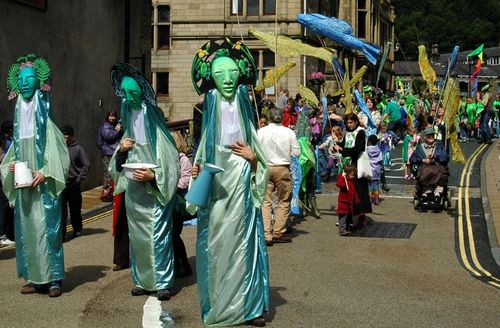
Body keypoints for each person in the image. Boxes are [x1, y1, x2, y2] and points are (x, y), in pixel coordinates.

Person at [190, 38, 270, 327]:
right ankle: (221, 303)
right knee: (217, 243)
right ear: (211, 76)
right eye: (220, 73)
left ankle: (249, 307)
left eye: (232, 73)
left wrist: (252, 159)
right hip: (216, 176)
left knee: (245, 242)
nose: (227, 79)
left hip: (241, 178)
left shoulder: (246, 103)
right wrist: (198, 168)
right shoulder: (205, 106)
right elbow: (200, 146)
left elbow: (259, 158)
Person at [109, 63, 180, 301]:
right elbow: (116, 166)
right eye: (125, 94)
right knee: (138, 237)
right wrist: (121, 149)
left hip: (153, 191)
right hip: (134, 192)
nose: (129, 98)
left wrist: (154, 177)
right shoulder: (128, 126)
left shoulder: (156, 127)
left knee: (158, 235)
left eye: (134, 93)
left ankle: (162, 281)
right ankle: (141, 280)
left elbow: (171, 163)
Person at [1, 54, 69, 297]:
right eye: (21, 79)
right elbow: (15, 151)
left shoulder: (45, 120)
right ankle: (35, 277)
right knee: (28, 231)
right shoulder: (19, 117)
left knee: (47, 230)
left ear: (38, 82)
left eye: (30, 78)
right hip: (25, 188)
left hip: (43, 186)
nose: (25, 82)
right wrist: (10, 167)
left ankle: (53, 279)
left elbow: (58, 151)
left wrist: (46, 172)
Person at [258, 106, 301, 246]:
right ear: (282, 117)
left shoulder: (261, 132)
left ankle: (266, 234)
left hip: (265, 167)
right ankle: (278, 231)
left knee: (265, 202)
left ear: (269, 117)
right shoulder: (289, 132)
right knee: (284, 200)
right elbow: (297, 153)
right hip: (282, 167)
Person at [338, 113, 372, 229]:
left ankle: (361, 219)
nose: (349, 125)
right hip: (347, 166)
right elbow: (342, 144)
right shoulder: (346, 133)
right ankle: (347, 218)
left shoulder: (361, 132)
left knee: (359, 193)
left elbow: (359, 148)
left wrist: (343, 150)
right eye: (347, 123)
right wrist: (336, 146)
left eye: (351, 122)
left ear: (356, 122)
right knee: (347, 192)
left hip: (357, 165)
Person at [60, 125, 90, 241]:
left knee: (75, 209)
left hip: (73, 183)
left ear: (71, 136)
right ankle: (62, 233)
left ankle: (77, 229)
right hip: (62, 184)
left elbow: (86, 165)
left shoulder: (78, 149)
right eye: (62, 136)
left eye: (66, 136)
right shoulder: (59, 148)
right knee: (61, 211)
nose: (64, 139)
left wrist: (78, 180)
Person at [171, 131, 193, 278]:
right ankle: (177, 264)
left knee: (174, 234)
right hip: (169, 200)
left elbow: (186, 179)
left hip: (177, 199)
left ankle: (185, 265)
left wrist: (170, 186)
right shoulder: (169, 158)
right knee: (171, 235)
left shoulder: (183, 159)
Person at [410, 127, 449, 199]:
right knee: (426, 172)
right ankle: (426, 192)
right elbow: (412, 159)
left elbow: (446, 158)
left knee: (440, 171)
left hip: (437, 167)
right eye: (429, 135)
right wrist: (423, 160)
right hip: (425, 168)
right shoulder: (420, 148)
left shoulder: (439, 146)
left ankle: (437, 192)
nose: (431, 137)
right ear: (424, 137)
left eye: (432, 135)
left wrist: (435, 157)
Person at [96, 111, 122, 201]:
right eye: (111, 116)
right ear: (107, 117)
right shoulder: (105, 126)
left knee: (112, 173)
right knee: (108, 172)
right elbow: (108, 137)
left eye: (114, 116)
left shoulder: (113, 125)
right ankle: (106, 194)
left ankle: (110, 193)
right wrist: (117, 130)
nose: (112, 118)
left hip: (112, 151)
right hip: (108, 152)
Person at [336, 164, 359, 236]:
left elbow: (354, 191)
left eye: (354, 175)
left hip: (349, 202)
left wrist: (356, 199)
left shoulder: (351, 181)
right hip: (343, 202)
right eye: (352, 175)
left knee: (348, 216)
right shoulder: (344, 179)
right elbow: (339, 184)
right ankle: (341, 230)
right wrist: (343, 177)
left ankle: (347, 227)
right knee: (343, 216)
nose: (353, 176)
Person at [367, 135, 383, 205]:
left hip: (368, 169)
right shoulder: (378, 149)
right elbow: (381, 160)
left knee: (369, 186)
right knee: (376, 185)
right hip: (376, 169)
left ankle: (369, 200)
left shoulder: (367, 149)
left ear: (369, 141)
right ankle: (376, 200)